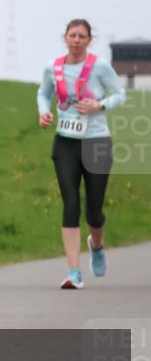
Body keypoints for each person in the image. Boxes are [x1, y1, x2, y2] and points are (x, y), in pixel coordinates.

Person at [37, 19, 126, 289]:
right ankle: (74, 271)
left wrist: (99, 105)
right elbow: (43, 93)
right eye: (72, 35)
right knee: (71, 205)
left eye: (82, 36)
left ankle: (96, 245)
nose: (76, 39)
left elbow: (120, 94)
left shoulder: (99, 66)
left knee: (94, 211)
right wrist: (44, 112)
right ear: (65, 37)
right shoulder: (52, 67)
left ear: (89, 40)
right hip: (66, 143)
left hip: (97, 141)